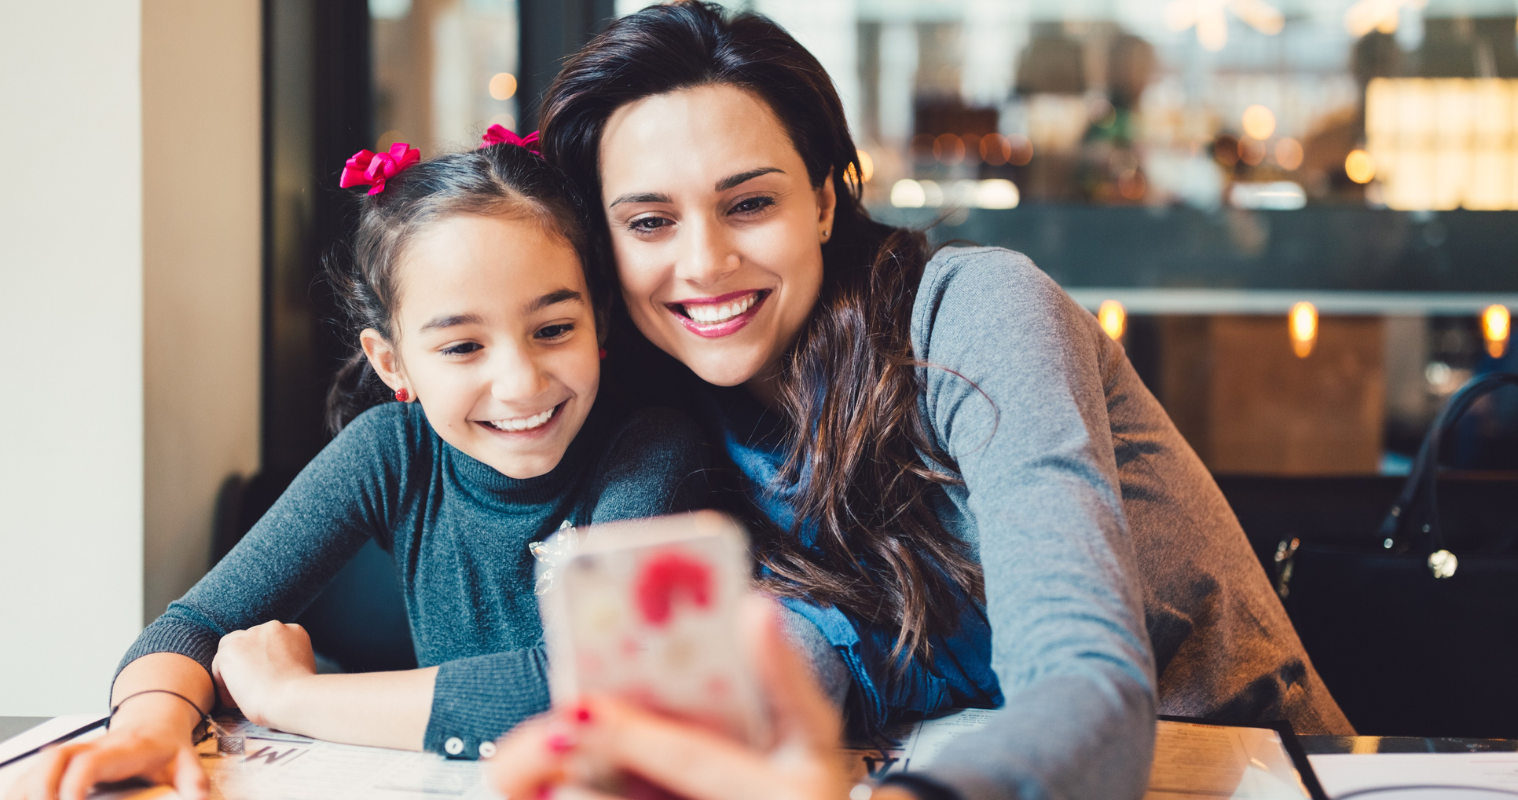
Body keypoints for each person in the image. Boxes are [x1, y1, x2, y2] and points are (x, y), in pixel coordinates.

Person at [492, 4, 1352, 800]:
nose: (705, 262)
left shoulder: (976, 311)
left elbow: (1086, 679)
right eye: (650, 222)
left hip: (1243, 773)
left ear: (822, 202)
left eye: (749, 203)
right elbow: (803, 657)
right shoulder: (670, 430)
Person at [8, 132, 711, 800]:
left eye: (554, 329)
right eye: (463, 347)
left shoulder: (652, 451)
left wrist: (291, 696)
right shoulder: (391, 451)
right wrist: (147, 729)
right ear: (392, 363)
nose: (521, 383)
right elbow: (193, 624)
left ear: (599, 322)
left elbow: (595, 687)